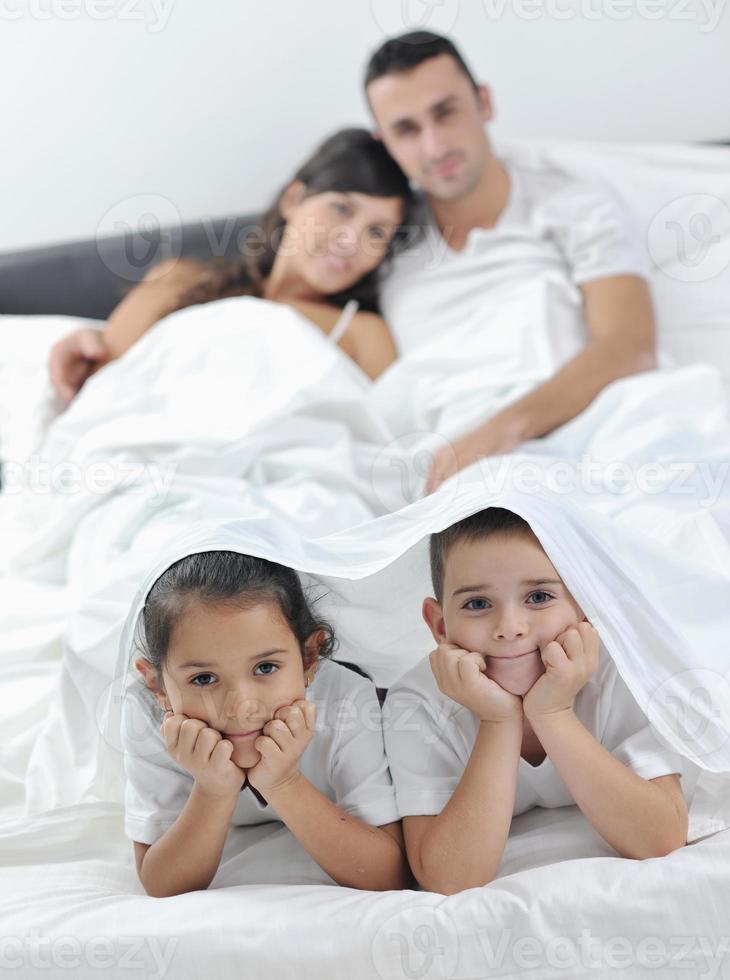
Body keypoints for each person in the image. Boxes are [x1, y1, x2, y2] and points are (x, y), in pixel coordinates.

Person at [364, 33, 657, 493]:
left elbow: (630, 346)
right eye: (407, 130)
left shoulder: (573, 207)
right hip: (447, 475)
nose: (435, 147)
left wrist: (499, 432)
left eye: (446, 112)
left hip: (580, 440)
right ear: (386, 144)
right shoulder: (380, 241)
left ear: (484, 103)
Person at [383, 506, 695, 895]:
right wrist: (498, 721)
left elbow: (660, 840)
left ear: (583, 604)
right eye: (477, 604)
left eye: (539, 596)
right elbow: (450, 878)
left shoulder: (621, 671)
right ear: (440, 625)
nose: (510, 628)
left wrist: (552, 712)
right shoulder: (416, 703)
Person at [48, 127, 413, 402]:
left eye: (377, 232)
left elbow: (381, 442)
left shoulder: (364, 335)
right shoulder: (178, 281)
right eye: (341, 208)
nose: (350, 241)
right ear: (293, 199)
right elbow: (101, 385)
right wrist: (86, 342)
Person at [122, 549, 409, 897]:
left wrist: (283, 782)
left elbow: (387, 876)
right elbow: (162, 883)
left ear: (308, 658)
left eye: (265, 668)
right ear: (157, 685)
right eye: (203, 679)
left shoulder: (347, 700)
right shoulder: (145, 713)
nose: (242, 708)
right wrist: (213, 791)